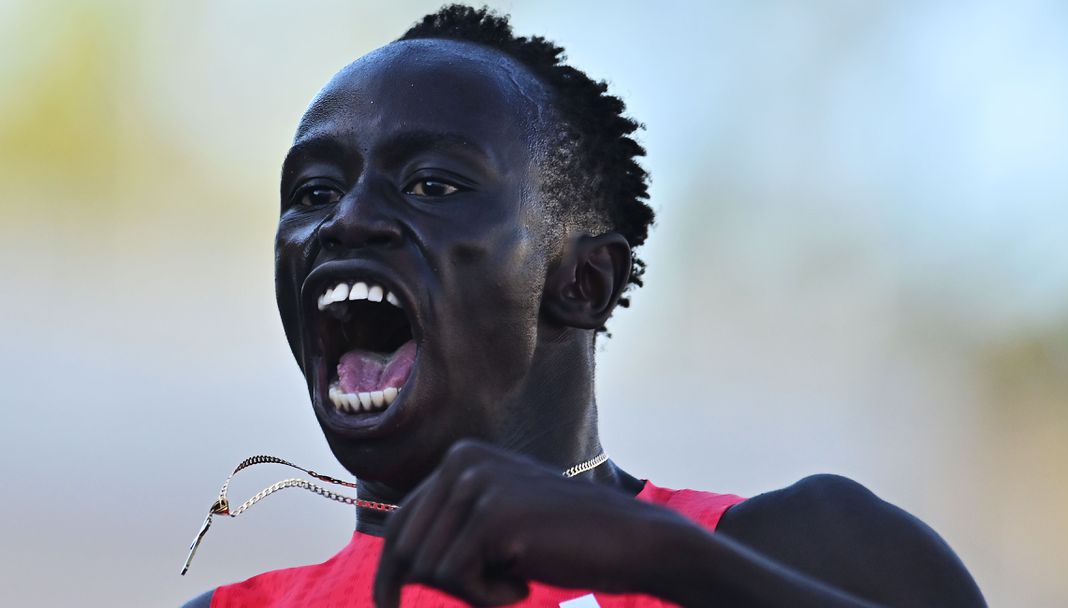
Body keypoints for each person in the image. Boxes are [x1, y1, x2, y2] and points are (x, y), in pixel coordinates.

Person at [184, 6, 985, 607]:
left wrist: (658, 559)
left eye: (431, 184)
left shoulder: (809, 548)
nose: (348, 218)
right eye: (313, 192)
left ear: (584, 282)